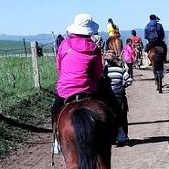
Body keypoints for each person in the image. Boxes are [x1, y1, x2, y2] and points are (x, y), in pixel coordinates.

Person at [51, 13, 127, 152]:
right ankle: (120, 131)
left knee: (55, 109)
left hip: (66, 89)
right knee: (113, 102)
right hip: (89, 88)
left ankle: (56, 140)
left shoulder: (63, 45)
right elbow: (98, 72)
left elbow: (59, 67)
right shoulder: (94, 47)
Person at [103, 51, 132, 141]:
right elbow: (129, 80)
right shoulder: (121, 69)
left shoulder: (104, 71)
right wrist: (123, 86)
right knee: (122, 116)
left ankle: (111, 137)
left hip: (107, 97)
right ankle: (124, 136)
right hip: (119, 96)